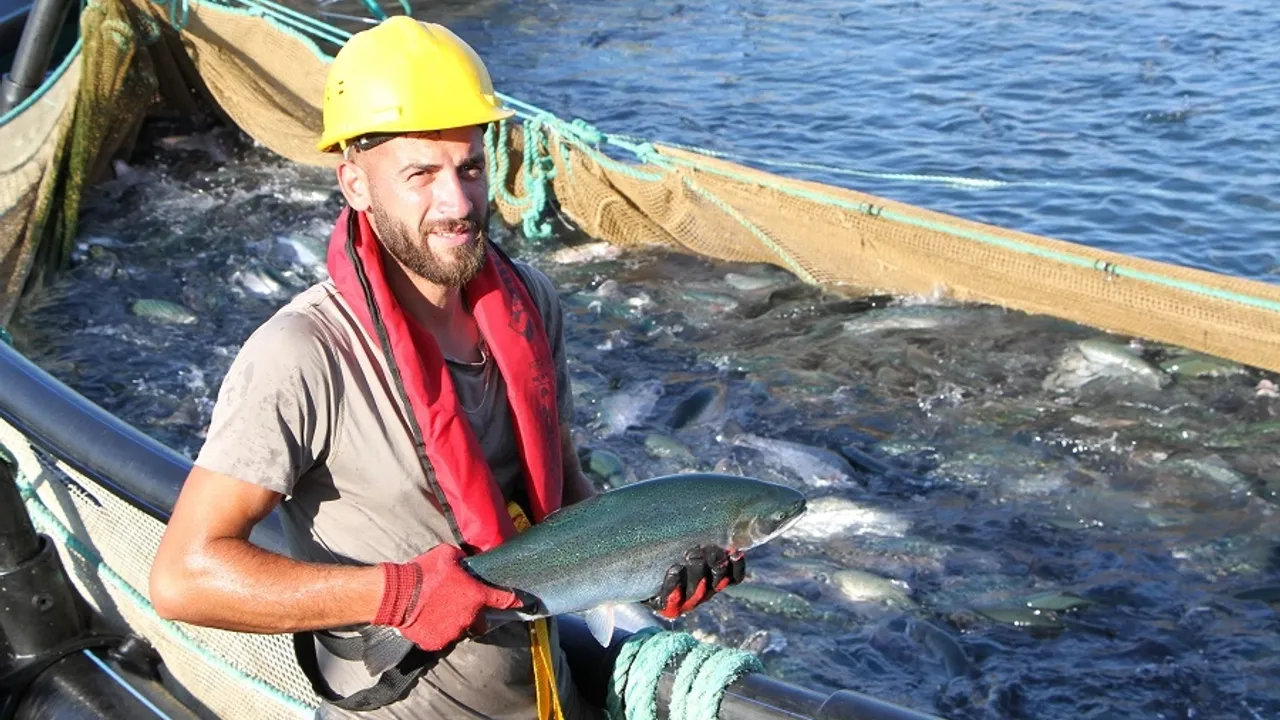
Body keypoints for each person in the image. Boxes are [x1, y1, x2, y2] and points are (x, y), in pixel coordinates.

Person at [148, 16, 745, 720]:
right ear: (355, 184)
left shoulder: (530, 303)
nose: (457, 204)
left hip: (548, 693)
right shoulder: (302, 354)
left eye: (469, 168)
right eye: (420, 175)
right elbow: (184, 577)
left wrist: (650, 566)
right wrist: (397, 595)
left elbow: (566, 495)